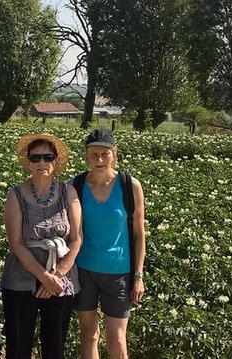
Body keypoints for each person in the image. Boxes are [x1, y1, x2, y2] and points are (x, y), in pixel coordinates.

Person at [1, 134, 82, 359]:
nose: (42, 163)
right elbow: (15, 242)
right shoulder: (15, 194)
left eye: (48, 157)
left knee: (55, 346)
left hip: (61, 278)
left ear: (56, 162)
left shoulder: (69, 192)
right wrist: (43, 276)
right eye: (36, 158)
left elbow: (76, 239)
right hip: (21, 277)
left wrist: (55, 276)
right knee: (18, 347)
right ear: (28, 163)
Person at [72, 129, 146, 359]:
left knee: (116, 340)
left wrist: (138, 275)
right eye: (93, 155)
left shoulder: (130, 186)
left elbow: (139, 233)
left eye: (105, 154)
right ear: (86, 156)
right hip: (84, 270)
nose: (100, 160)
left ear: (115, 153)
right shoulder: (75, 185)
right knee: (89, 334)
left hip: (119, 273)